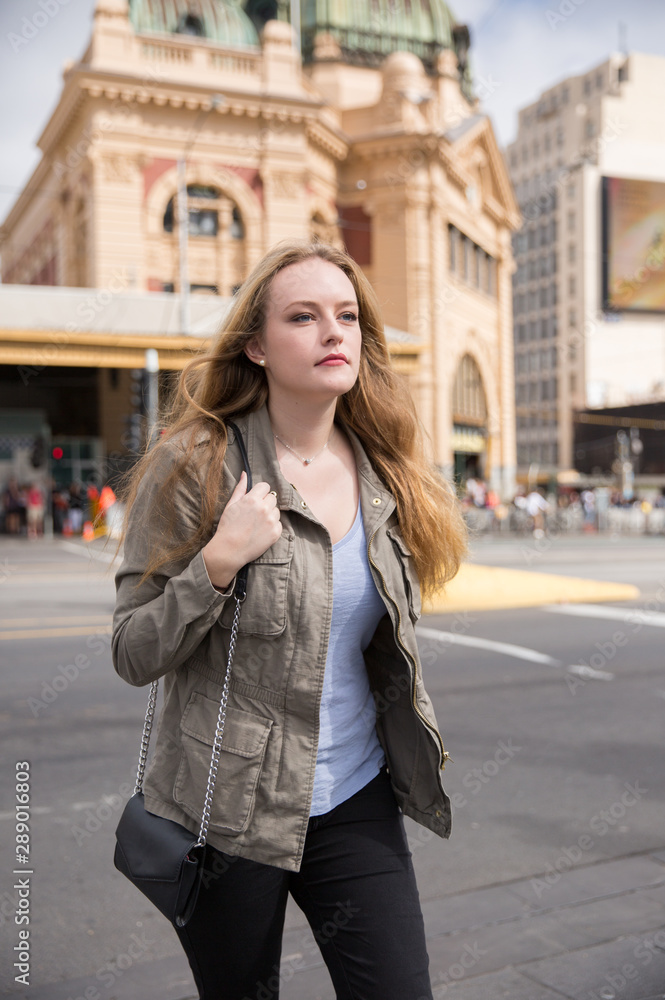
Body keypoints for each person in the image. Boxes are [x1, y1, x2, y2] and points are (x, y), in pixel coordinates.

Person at [111, 239, 467, 1000]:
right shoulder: (197, 463)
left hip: (354, 796)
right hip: (227, 807)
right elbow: (132, 650)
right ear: (257, 347)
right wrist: (217, 564)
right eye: (302, 317)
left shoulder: (385, 470)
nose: (332, 332)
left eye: (346, 316)